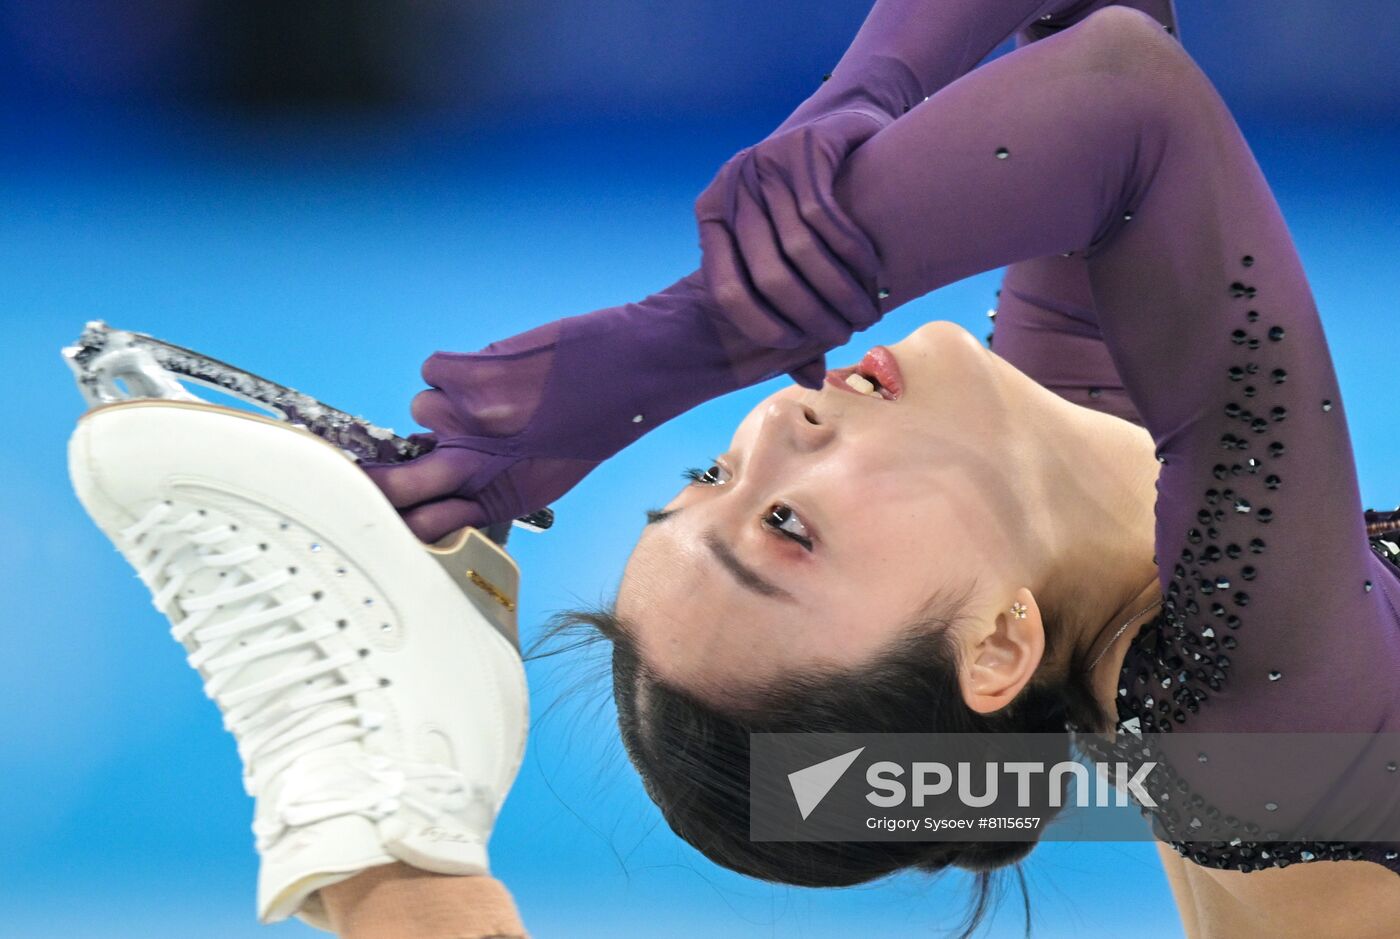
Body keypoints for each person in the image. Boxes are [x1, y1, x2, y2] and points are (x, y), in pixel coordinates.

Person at [70, 1, 1400, 938]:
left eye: (709, 470)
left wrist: (864, 94)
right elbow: (1128, 99)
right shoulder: (1255, 723)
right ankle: (387, 869)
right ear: (997, 649)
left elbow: (1095, 49)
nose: (776, 428)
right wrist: (657, 356)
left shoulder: (1081, 466)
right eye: (787, 531)